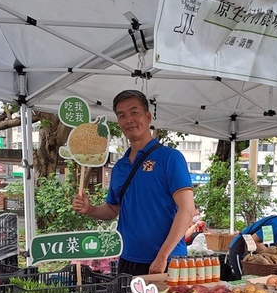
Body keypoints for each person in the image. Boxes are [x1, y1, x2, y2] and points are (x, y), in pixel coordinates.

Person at [72, 89, 196, 276]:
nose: (128, 119)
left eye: (134, 112)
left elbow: (187, 210)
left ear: (148, 117)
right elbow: (113, 209)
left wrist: (162, 256)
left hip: (167, 260)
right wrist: (90, 209)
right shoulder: (119, 167)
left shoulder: (170, 158)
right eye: (121, 115)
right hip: (128, 259)